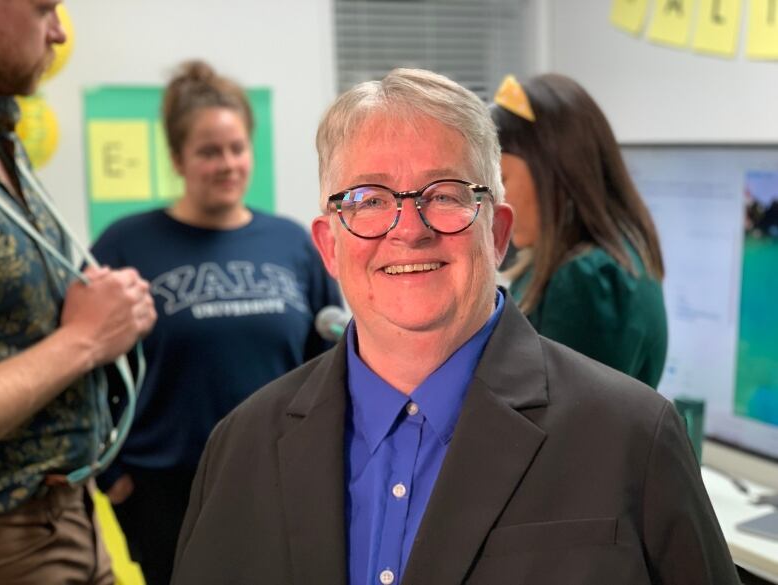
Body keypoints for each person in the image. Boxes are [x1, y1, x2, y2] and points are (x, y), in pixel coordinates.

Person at [170, 68, 739, 584]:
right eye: (368, 199)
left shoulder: (633, 437)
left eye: (445, 194)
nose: (408, 230)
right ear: (328, 245)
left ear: (496, 232)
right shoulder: (239, 448)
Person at [90, 60, 342, 585]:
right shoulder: (124, 246)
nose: (227, 164)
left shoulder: (291, 242)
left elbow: (329, 362)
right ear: (179, 159)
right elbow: (89, 369)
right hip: (165, 490)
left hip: (279, 478)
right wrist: (112, 474)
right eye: (208, 152)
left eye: (236, 148)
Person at [0, 1, 156, 583]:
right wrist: (87, 338)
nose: (61, 32)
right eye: (43, 9)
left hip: (72, 512)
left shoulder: (8, 145)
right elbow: (78, 340)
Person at [492, 73, 668, 388]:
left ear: (554, 174)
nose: (498, 201)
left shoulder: (584, 280)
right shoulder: (621, 256)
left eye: (503, 180)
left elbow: (556, 418)